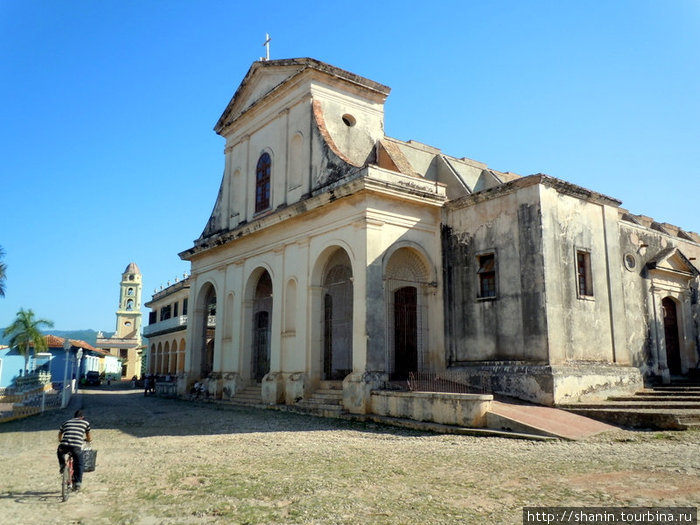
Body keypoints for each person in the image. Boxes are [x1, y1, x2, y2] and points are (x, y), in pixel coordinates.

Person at [57, 409, 92, 491]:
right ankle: (77, 484)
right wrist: (88, 440)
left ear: (74, 417)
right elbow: (88, 435)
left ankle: (62, 465)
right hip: (76, 447)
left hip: (64, 445)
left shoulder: (67, 422)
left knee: (60, 451)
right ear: (82, 417)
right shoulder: (85, 423)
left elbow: (60, 433)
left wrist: (60, 440)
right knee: (79, 464)